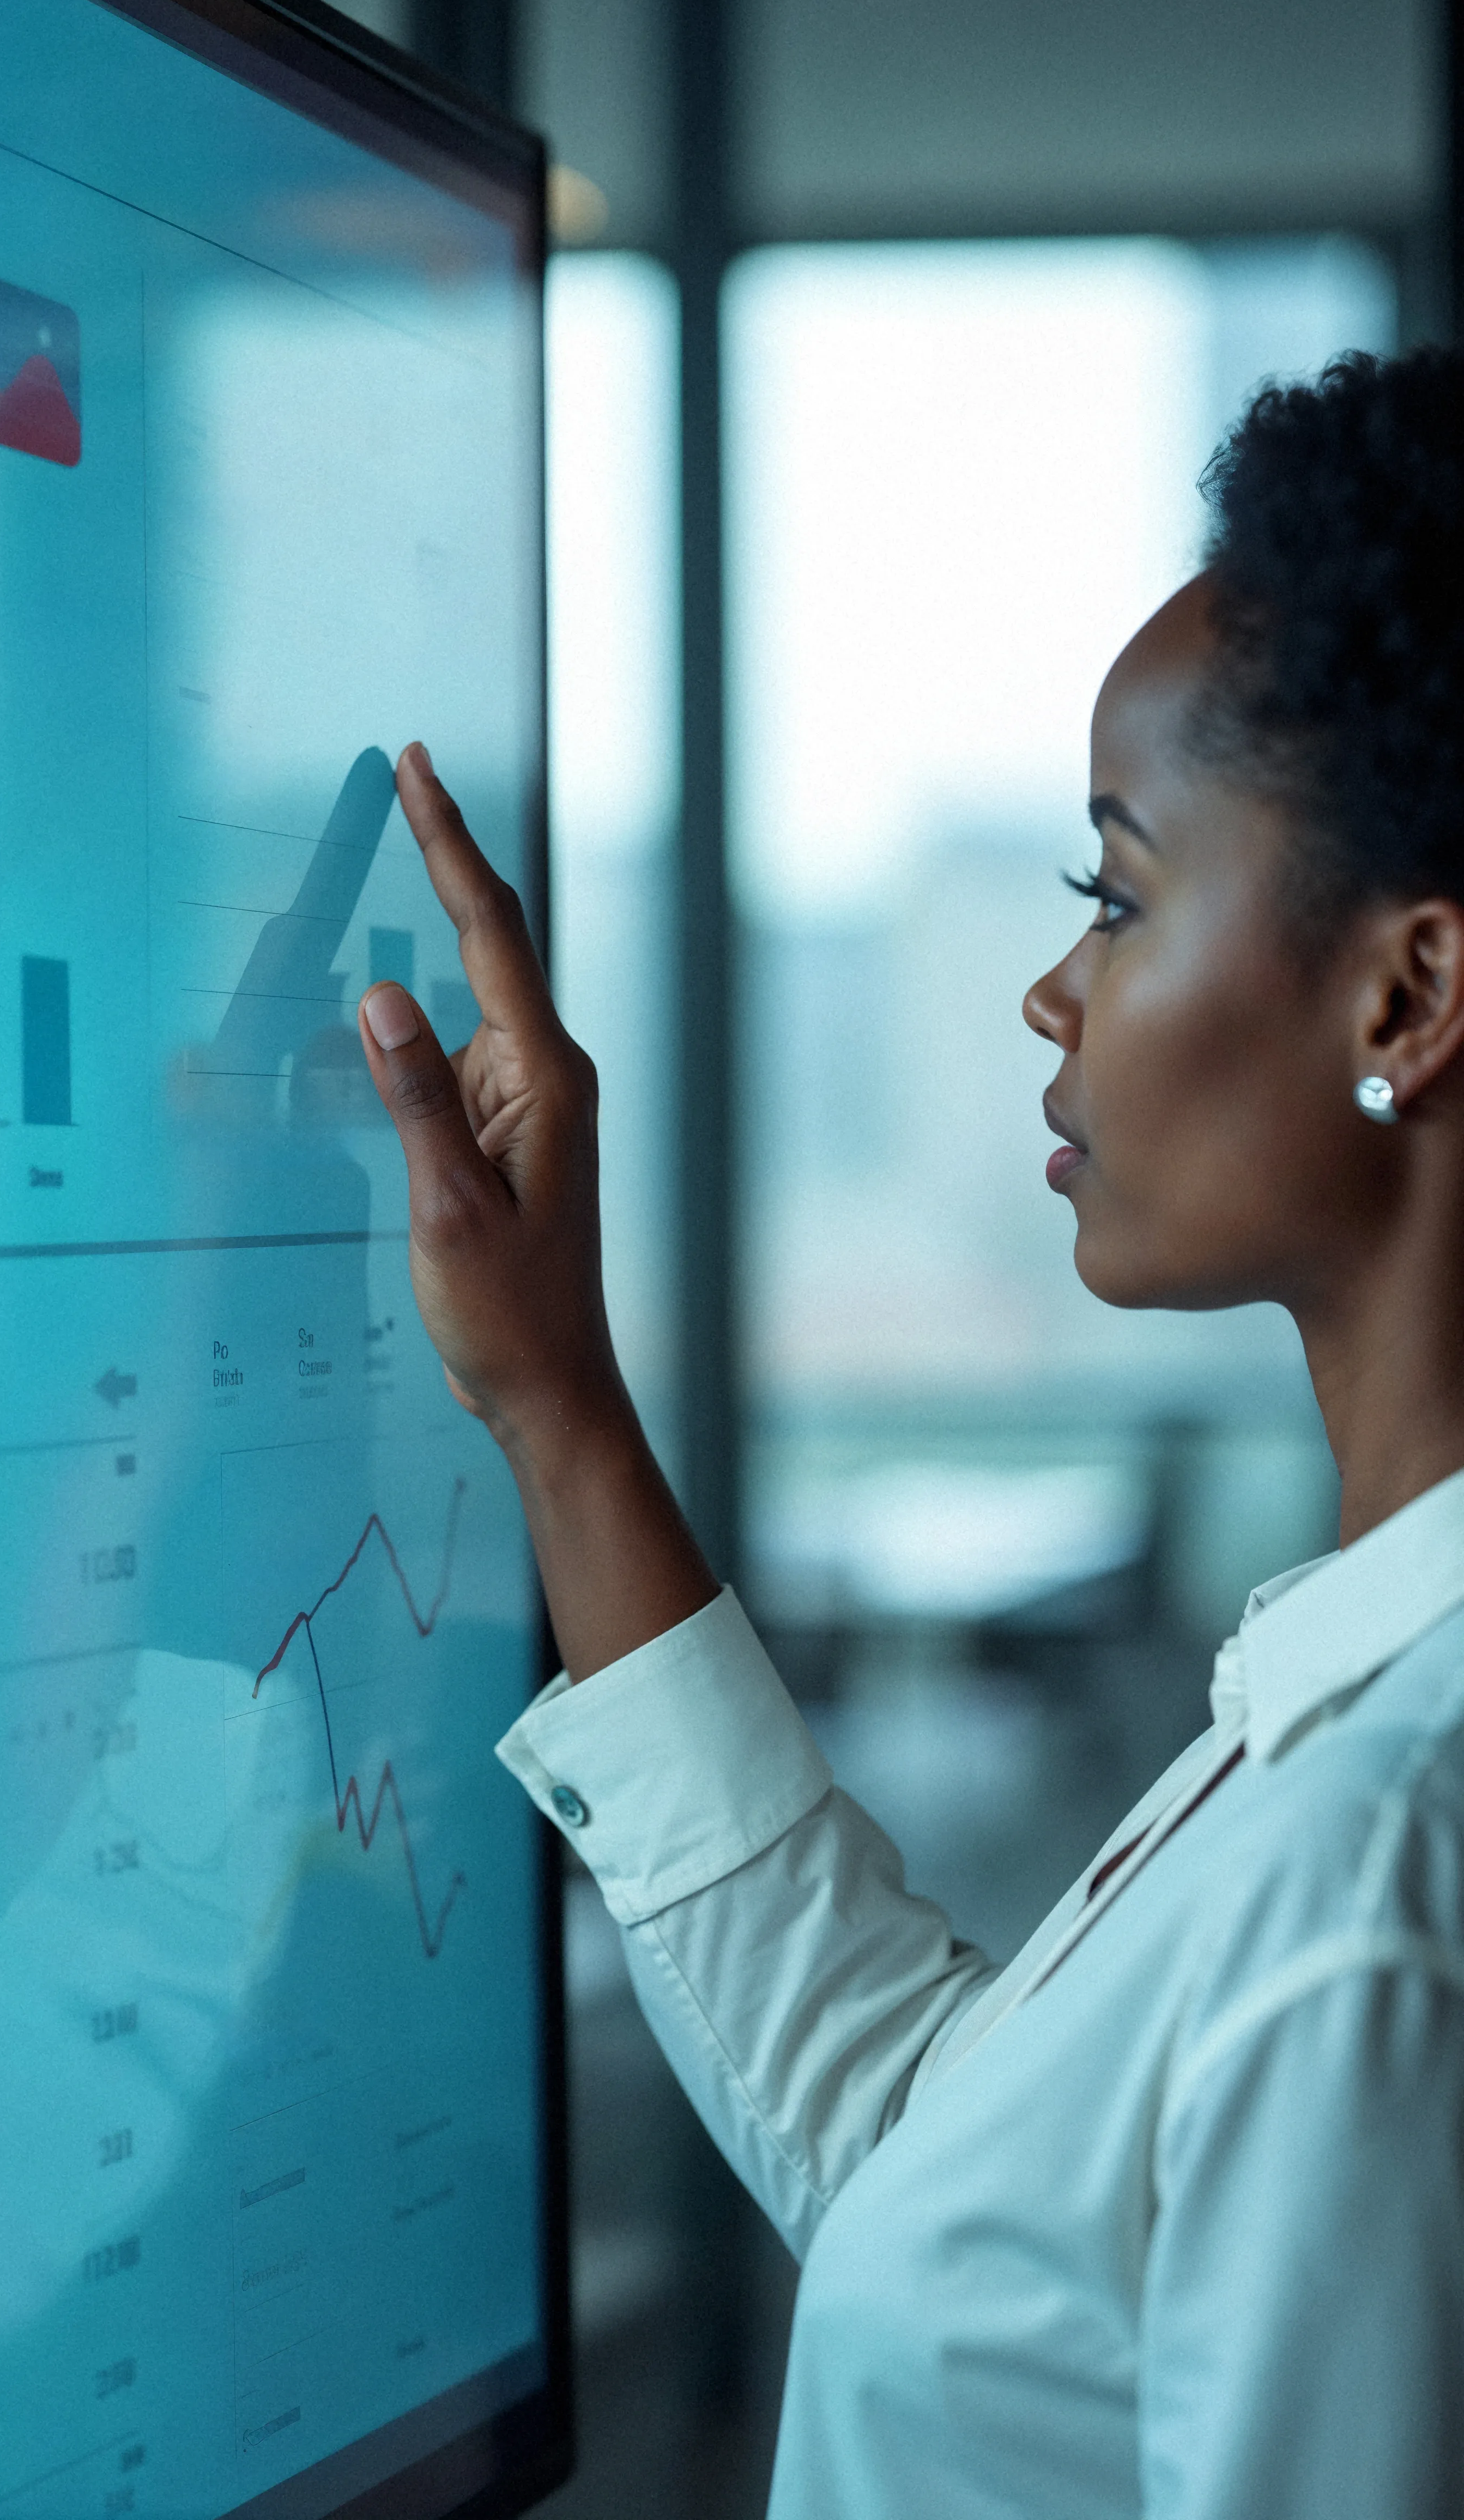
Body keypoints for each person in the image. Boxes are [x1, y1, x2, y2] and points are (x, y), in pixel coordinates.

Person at [356, 348, 1464, 2518]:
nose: (1055, 993)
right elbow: (946, 2184)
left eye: (1120, 895)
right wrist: (559, 1400)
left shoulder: (1374, 1879)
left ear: (1406, 1000)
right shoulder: (1352, 1741)